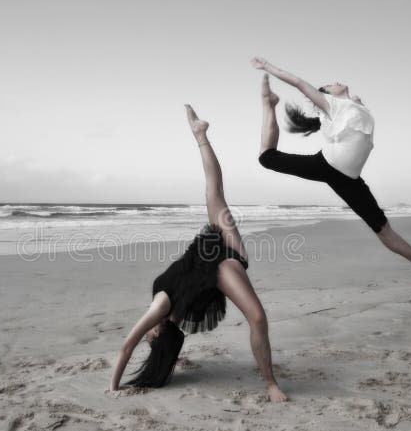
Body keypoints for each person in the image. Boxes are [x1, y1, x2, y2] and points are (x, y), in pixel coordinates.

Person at [108, 105, 288, 403]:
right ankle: (271, 385)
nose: (147, 338)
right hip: (220, 266)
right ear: (160, 332)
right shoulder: (161, 309)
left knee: (214, 192)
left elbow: (138, 344)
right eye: (151, 340)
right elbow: (126, 346)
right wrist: (112, 388)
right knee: (257, 318)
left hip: (219, 249)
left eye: (148, 339)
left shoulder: (168, 313)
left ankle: (200, 135)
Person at [251, 57, 411, 284]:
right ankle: (268, 105)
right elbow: (297, 81)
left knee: (382, 228)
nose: (335, 81)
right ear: (326, 94)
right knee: (266, 158)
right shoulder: (331, 104)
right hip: (327, 165)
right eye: (329, 84)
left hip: (349, 179)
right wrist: (267, 66)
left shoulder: (353, 105)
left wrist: (357, 103)